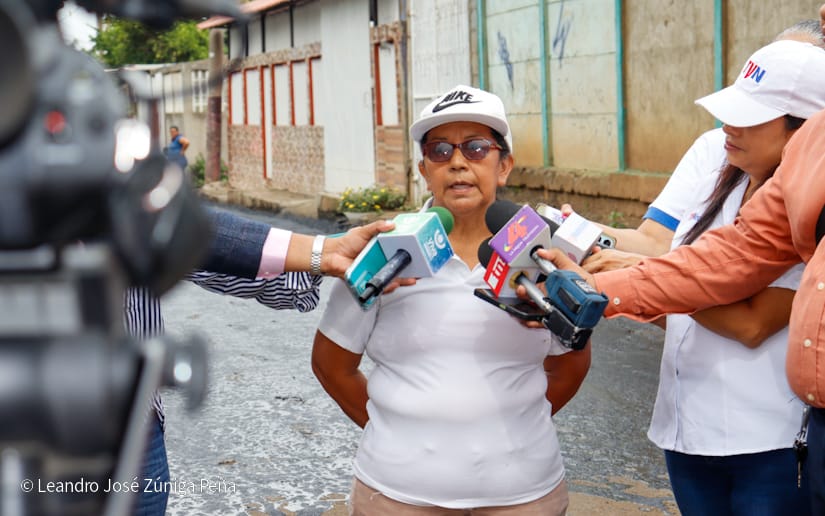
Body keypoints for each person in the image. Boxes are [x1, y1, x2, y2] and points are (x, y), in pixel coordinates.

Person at [539, 44, 825, 512]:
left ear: (807, 131)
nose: (728, 127)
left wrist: (630, 282)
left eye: (749, 116)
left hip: (769, 434)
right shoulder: (733, 172)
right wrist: (607, 284)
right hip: (690, 428)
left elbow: (749, 321)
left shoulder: (802, 201)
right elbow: (713, 260)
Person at [312, 85, 591, 515]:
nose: (458, 162)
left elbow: (571, 363)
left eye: (477, 147)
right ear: (424, 170)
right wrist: (397, 436)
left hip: (525, 496)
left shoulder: (545, 255)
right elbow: (332, 364)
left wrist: (509, 436)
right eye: (440, 150)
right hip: (394, 496)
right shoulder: (386, 252)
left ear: (505, 166)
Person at [132, 208, 409, 515]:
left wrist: (321, 255)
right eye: (438, 154)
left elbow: (208, 246)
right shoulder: (113, 208)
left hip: (137, 426)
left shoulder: (131, 205)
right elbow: (332, 366)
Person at [569, 19, 825, 273]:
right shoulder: (716, 151)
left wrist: (640, 276)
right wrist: (578, 233)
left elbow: (747, 310)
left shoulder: (805, 212)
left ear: (808, 126)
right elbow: (659, 244)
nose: (728, 126)